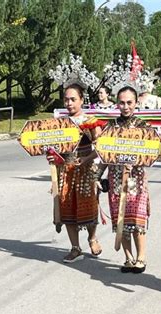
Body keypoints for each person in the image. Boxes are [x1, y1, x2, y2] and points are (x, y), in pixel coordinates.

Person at [95, 86, 151, 274]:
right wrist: (97, 176)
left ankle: (141, 258)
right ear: (117, 103)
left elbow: (154, 153)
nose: (125, 106)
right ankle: (128, 258)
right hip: (116, 179)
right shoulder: (109, 128)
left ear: (136, 103)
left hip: (137, 179)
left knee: (137, 219)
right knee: (121, 221)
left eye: (129, 102)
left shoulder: (144, 127)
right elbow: (103, 155)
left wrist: (136, 160)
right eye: (122, 102)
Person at [47, 83, 104, 263]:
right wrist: (52, 158)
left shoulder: (91, 122)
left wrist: (86, 160)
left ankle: (92, 238)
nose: (69, 103)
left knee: (90, 205)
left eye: (73, 99)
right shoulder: (59, 124)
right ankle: (75, 247)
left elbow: (103, 147)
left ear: (81, 100)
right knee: (67, 208)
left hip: (86, 169)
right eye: (66, 99)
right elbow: (52, 148)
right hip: (65, 170)